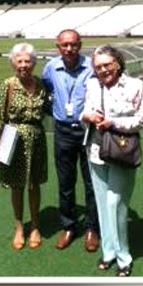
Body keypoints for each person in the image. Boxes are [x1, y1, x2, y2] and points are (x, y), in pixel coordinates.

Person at [81, 45, 143, 277]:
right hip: (96, 150)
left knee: (115, 204)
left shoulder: (135, 85)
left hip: (122, 151)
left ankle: (124, 257)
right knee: (101, 204)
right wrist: (88, 116)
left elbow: (142, 120)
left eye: (107, 64)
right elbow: (85, 111)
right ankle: (108, 252)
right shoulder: (91, 84)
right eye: (98, 66)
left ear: (118, 63)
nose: (103, 70)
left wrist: (114, 123)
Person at [41, 29, 100, 252]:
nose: (69, 49)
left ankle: (92, 228)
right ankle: (68, 226)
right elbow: (46, 88)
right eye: (64, 45)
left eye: (73, 45)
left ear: (80, 45)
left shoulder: (91, 67)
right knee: (65, 184)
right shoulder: (50, 68)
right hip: (63, 132)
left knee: (91, 183)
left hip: (87, 131)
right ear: (58, 47)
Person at [0, 44, 49, 251]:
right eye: (19, 61)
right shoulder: (9, 84)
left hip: (37, 140)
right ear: (13, 62)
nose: (24, 65)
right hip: (13, 139)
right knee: (16, 186)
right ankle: (18, 228)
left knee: (34, 185)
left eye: (27, 61)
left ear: (33, 62)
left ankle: (34, 226)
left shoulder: (41, 85)